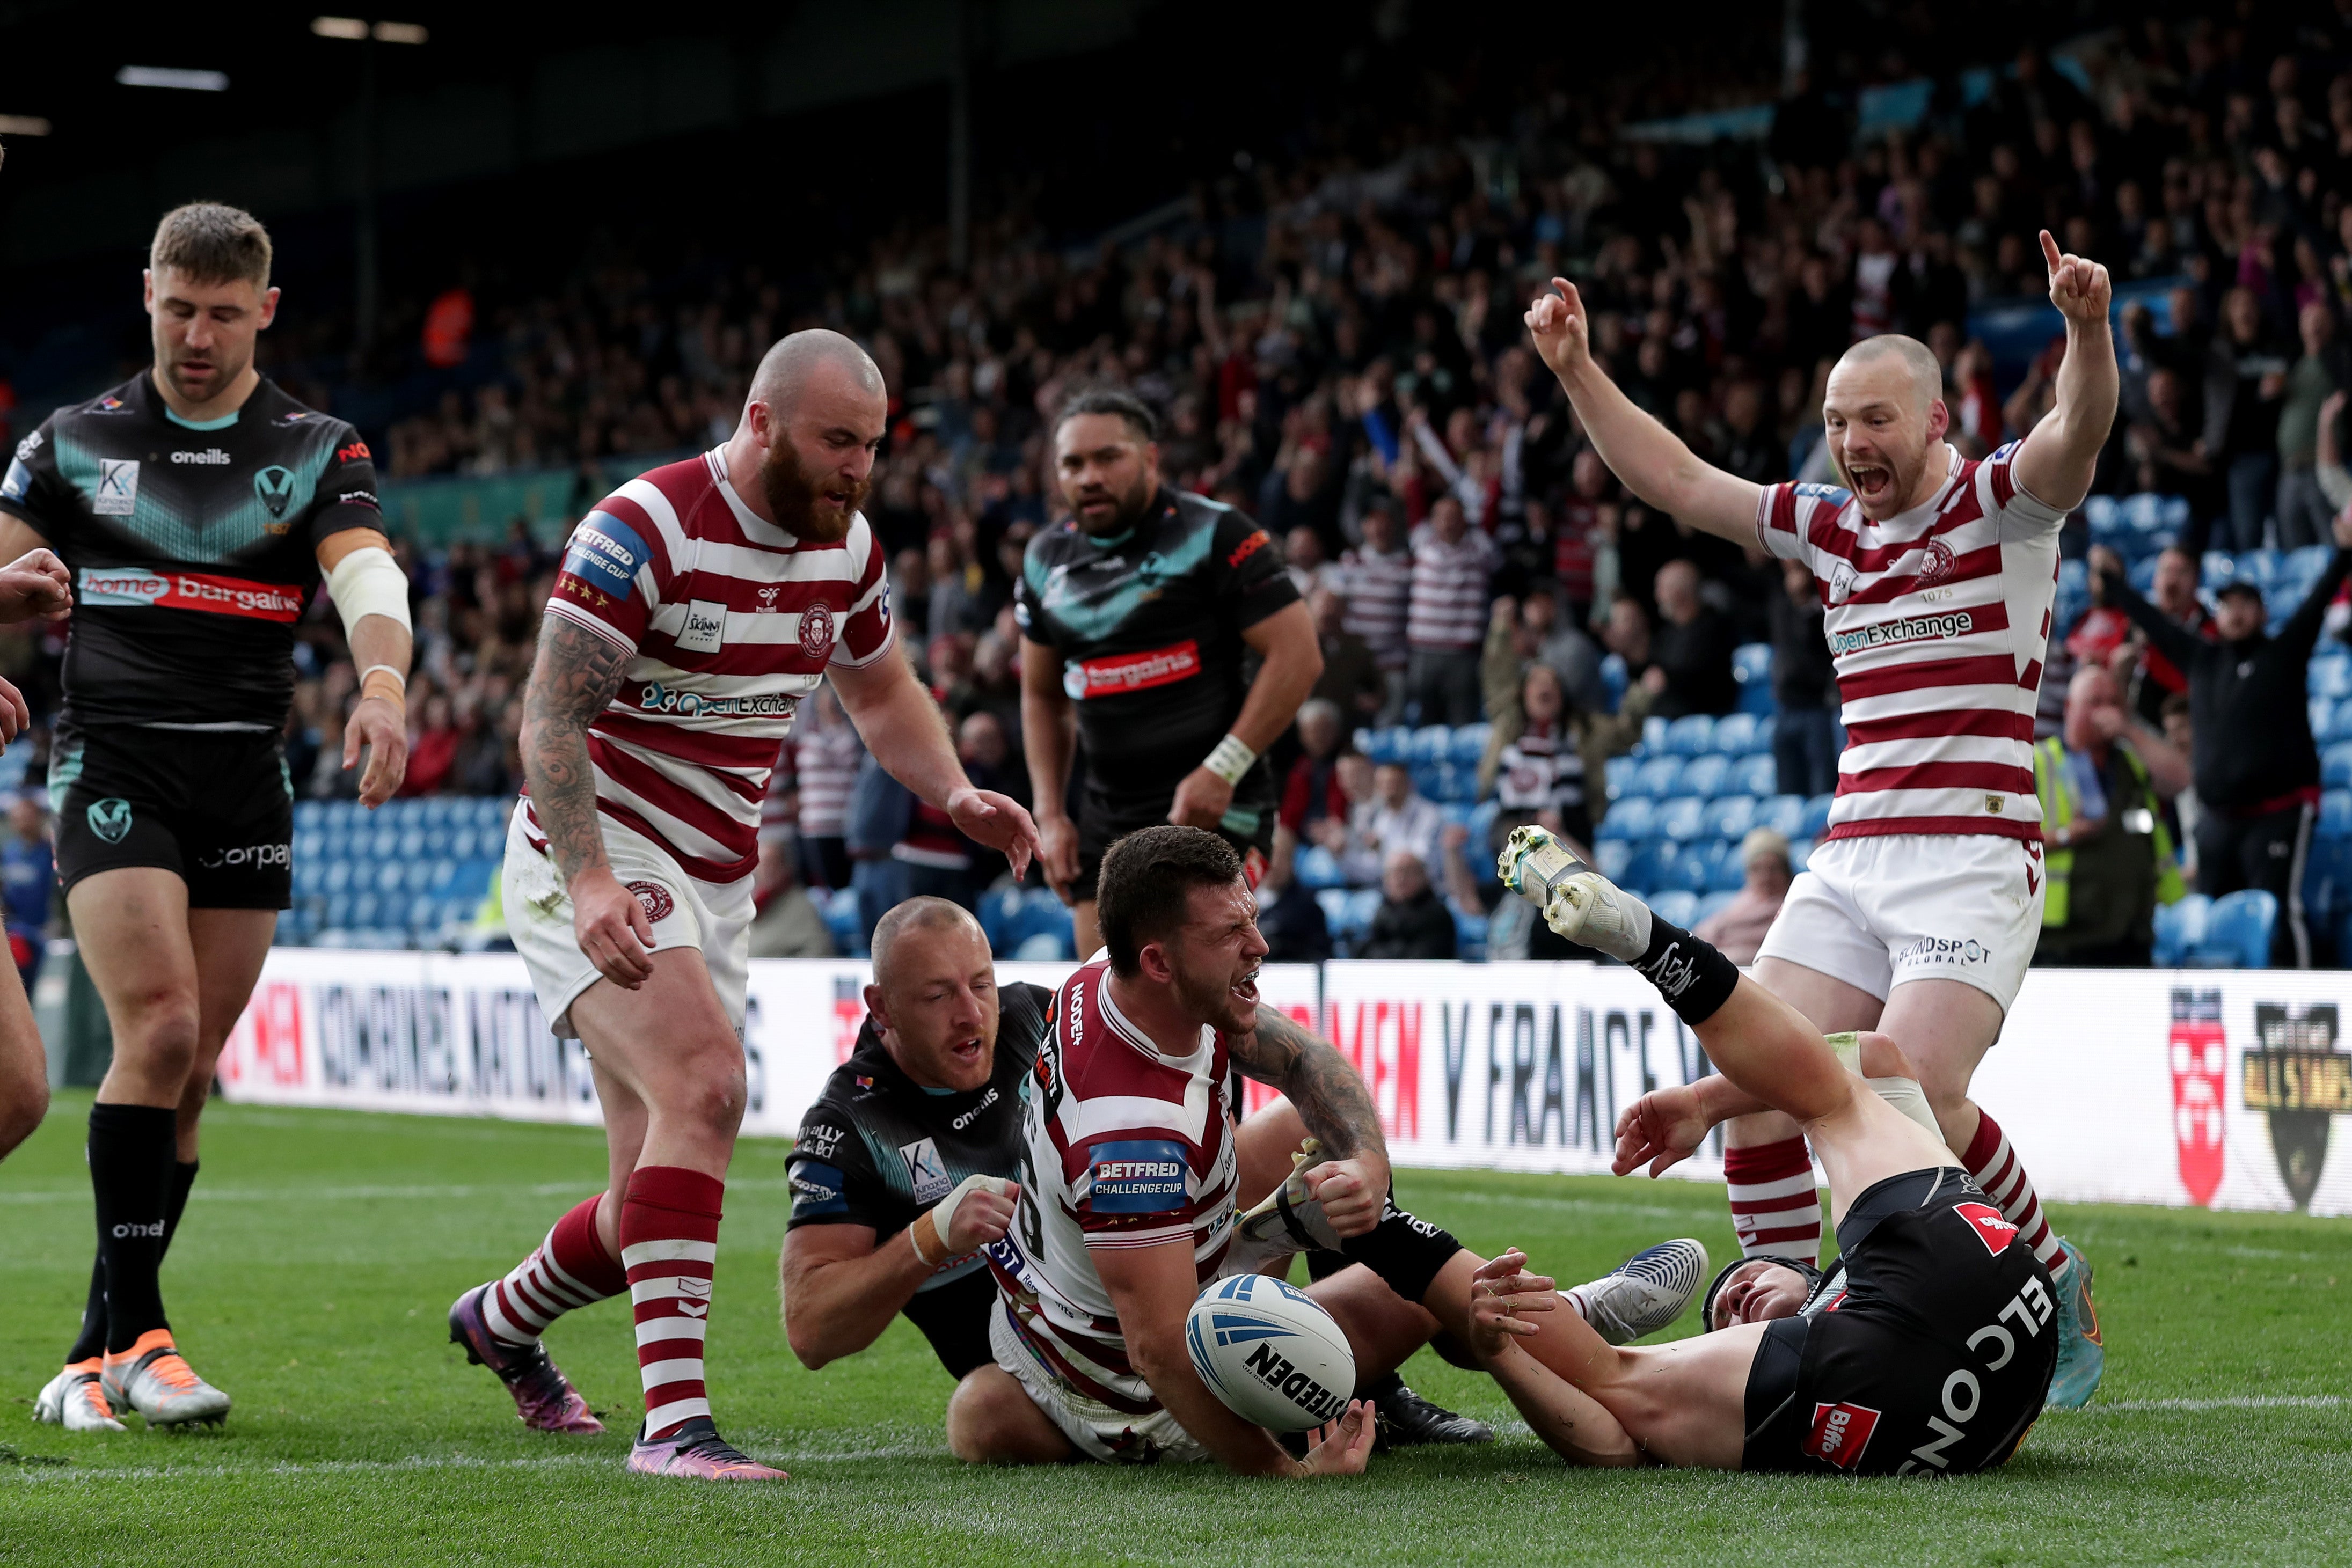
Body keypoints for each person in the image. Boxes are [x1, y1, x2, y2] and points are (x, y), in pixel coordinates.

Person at [1524, 228, 2117, 1408]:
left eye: (1876, 421)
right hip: (1851, 857)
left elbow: (2078, 428)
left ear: (1936, 422)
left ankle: (2056, 1280)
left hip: (1971, 857)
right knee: (1750, 1071)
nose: (1852, 444)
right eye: (1839, 421)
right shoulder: (1829, 527)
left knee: (1908, 1096)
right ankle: (1785, 1305)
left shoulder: (2005, 505)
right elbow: (1683, 481)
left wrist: (2085, 332)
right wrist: (1578, 372)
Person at [449, 330, 1039, 1482]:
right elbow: (548, 722)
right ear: (761, 421)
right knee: (710, 1087)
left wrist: (955, 790)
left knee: (645, 1210)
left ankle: (503, 1320)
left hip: (714, 878)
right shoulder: (645, 526)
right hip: (597, 844)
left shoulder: (850, 547)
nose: (858, 468)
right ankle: (674, 1429)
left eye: (871, 446)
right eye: (836, 441)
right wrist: (589, 880)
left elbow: (880, 693)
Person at [10, 203, 412, 1434]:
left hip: (246, 777)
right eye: (180, 309)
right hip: (113, 765)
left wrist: (387, 684)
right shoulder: (73, 444)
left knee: (185, 1080)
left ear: (265, 313)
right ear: (147, 294)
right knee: (163, 1022)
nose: (197, 335)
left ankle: (97, 1352)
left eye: (224, 314)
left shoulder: (314, 445)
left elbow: (366, 575)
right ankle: (144, 1337)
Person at [952, 826, 1691, 1469]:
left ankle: (1548, 1317)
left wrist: (1367, 1163)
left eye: (1251, 917)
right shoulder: (1130, 1141)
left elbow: (1305, 1059)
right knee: (1435, 1298)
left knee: (1296, 1140)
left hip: (1100, 1291)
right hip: (1139, 1377)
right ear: (1158, 962)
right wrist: (1286, 1475)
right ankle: (1580, 1324)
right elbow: (1164, 1353)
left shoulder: (1110, 979)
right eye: (1229, 936)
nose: (1260, 946)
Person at [1453, 826, 2057, 1475]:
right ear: (1741, 1345)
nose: (1736, 1298)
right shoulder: (1789, 1353)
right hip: (1992, 1326)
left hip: (1948, 1310)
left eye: (1734, 1286)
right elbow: (1606, 1436)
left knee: (1833, 1097)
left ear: (1802, 1271)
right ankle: (1585, 1305)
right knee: (1618, 1379)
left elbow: (1877, 1058)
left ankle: (1639, 936)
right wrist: (1501, 1354)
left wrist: (1708, 1101)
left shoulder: (1829, 1307)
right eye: (1729, 1317)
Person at [1018, 389, 1322, 959]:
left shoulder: (1215, 533)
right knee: (1108, 1005)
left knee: (1200, 1000)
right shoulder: (1043, 559)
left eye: (1108, 458)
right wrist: (1050, 813)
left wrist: (1222, 767)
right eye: (1072, 464)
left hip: (1215, 804)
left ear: (1150, 458)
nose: (1088, 477)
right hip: (1107, 814)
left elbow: (1298, 656)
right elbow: (1038, 693)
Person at [780, 899, 1042, 1380]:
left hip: (1121, 1306)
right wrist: (932, 1234)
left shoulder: (1037, 1019)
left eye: (982, 984)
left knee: (1233, 1144)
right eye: (938, 996)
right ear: (883, 1007)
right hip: (1020, 1379)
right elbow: (810, 1331)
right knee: (982, 1415)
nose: (972, 1014)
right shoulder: (849, 1125)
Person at [2091, 517, 2352, 967]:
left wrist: (2346, 553)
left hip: (2278, 814)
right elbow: (2153, 620)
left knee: (2279, 914)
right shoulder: (2202, 659)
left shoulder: (2282, 654)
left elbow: (2317, 602)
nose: (2235, 612)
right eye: (2227, 605)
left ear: (2262, 613)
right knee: (2211, 916)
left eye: (2246, 604)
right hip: (2217, 821)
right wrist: (2114, 584)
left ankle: (2296, 1005)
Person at [2030, 666, 2188, 968]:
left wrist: (2129, 729)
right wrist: (2066, 835)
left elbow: (2181, 779)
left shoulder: (2130, 758)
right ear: (2069, 708)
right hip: (2062, 939)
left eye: (2113, 702)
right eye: (2094, 702)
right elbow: (2010, 845)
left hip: (2129, 935)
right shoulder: (2041, 761)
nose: (2105, 712)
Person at [1403, 495, 1499, 726]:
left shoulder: (1480, 548)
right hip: (1423, 652)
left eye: (1455, 517)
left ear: (1465, 520)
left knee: (1463, 723)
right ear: (1432, 521)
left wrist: (1495, 477)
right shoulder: (1422, 543)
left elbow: (1492, 511)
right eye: (1442, 517)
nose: (1448, 523)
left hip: (1463, 655)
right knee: (1424, 725)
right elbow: (1414, 501)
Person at [1766, 558, 1839, 797]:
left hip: (1817, 707)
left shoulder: (1828, 601)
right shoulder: (1780, 602)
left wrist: (1803, 602)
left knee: (1823, 789)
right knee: (1787, 791)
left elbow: (1817, 645)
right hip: (1786, 705)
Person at [2120, 547, 2213, 729]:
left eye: (2181, 573)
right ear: (2155, 580)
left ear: (2196, 581)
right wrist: (2121, 672)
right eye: (2166, 571)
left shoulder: (2210, 632)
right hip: (2140, 731)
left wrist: (2152, 654)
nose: (2172, 581)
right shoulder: (2135, 626)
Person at [1646, 560, 1738, 719]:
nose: (1657, 596)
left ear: (1679, 593)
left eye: (1661, 589)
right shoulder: (1668, 634)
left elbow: (1702, 678)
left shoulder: (1713, 628)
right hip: (1670, 713)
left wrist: (1667, 678)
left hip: (1707, 713)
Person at [1694, 827, 1794, 966]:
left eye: (1773, 869)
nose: (1765, 877)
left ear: (1786, 872)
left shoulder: (1792, 909)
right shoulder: (1742, 902)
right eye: (1756, 869)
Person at [744, 835, 835, 958]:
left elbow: (818, 951)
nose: (768, 870)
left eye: (773, 863)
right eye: (762, 864)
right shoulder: (747, 903)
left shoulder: (802, 906)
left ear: (786, 868)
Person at [1357, 849, 1457, 960]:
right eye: (1394, 873)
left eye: (1407, 872)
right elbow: (1367, 952)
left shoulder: (1437, 915)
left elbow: (1427, 956)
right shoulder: (1382, 912)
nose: (1400, 879)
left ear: (1423, 876)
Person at [3, 790, 53, 993]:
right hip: (16, 936)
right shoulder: (9, 853)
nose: (22, 820)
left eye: (27, 815)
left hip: (45, 937)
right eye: (18, 816)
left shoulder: (51, 852)